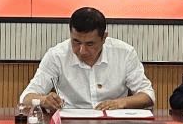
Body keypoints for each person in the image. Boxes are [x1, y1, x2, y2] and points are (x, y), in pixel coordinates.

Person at [19, 7, 155, 112]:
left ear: (104, 38)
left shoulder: (124, 53)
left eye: (90, 44)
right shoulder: (57, 55)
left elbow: (147, 95)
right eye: (76, 42)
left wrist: (120, 103)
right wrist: (43, 100)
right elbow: (26, 97)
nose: (82, 50)